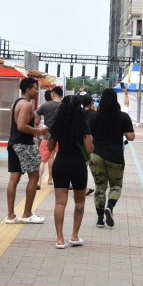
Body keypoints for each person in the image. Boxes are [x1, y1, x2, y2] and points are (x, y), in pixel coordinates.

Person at [47, 95, 93, 248]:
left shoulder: (58, 124)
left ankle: (59, 239)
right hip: (78, 164)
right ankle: (74, 236)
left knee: (60, 202)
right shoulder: (83, 125)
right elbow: (88, 149)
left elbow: (50, 147)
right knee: (79, 201)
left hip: (60, 163)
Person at [88, 88, 135, 228]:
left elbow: (88, 137)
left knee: (100, 187)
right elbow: (131, 137)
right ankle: (110, 206)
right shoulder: (122, 117)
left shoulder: (94, 117)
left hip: (96, 156)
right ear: (116, 100)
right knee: (115, 186)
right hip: (115, 156)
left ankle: (100, 219)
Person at [5, 77, 48, 225]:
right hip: (24, 145)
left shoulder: (15, 103)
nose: (37, 92)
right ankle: (27, 213)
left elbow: (13, 126)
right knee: (34, 177)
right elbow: (21, 126)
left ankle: (10, 215)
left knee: (14, 179)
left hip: (13, 144)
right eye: (35, 88)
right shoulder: (26, 105)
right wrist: (38, 130)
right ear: (28, 89)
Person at [35, 87, 63, 185]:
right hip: (60, 137)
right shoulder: (63, 106)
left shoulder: (45, 105)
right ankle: (51, 180)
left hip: (47, 136)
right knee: (53, 158)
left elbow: (36, 114)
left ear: (53, 94)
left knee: (43, 160)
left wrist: (37, 126)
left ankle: (38, 181)